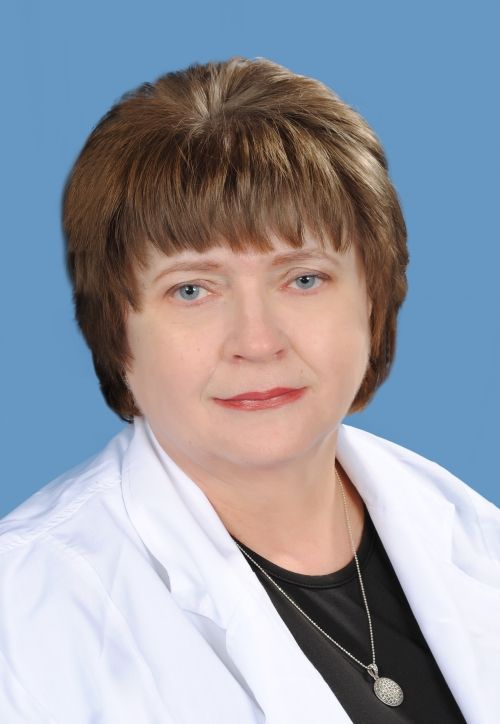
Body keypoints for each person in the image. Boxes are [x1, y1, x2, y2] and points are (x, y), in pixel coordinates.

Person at [0, 56, 498, 724]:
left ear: (375, 300)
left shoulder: (476, 540)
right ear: (115, 329)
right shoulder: (22, 623)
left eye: (303, 279)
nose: (257, 342)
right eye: (192, 290)